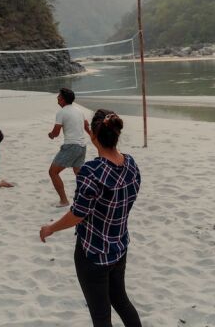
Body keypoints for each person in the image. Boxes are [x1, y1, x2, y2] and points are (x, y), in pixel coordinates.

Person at [40, 109, 142, 327]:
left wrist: (51, 228)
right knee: (121, 300)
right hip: (119, 246)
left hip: (93, 252)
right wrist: (93, 134)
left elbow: (78, 214)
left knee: (101, 315)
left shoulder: (91, 171)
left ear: (94, 135)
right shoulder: (131, 164)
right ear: (117, 134)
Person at [48, 88, 90, 207]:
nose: (57, 98)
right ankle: (90, 198)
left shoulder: (61, 112)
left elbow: (56, 133)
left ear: (63, 99)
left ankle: (64, 201)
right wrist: (93, 137)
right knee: (79, 173)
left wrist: (51, 135)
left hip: (71, 146)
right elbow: (87, 126)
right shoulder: (79, 110)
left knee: (53, 172)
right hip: (82, 146)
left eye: (59, 96)